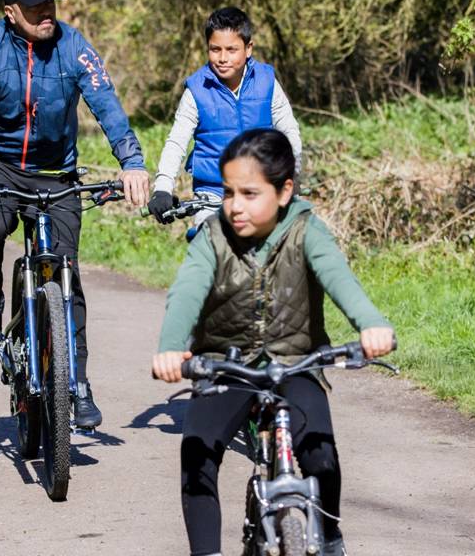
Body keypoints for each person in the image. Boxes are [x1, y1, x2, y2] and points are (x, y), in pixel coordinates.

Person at [151, 128, 395, 556]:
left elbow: (339, 279)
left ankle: (331, 538)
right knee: (197, 458)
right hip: (225, 366)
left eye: (249, 193)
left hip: (295, 361)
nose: (235, 206)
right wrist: (172, 347)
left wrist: (370, 324)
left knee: (321, 458)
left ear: (284, 192)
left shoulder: (306, 231)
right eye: (228, 193)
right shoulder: (213, 237)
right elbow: (187, 290)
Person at [0, 0, 150, 429]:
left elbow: (106, 103)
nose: (45, 12)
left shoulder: (74, 47)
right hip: (0, 167)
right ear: (11, 12)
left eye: (50, 2)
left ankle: (79, 385)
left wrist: (132, 163)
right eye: (34, 6)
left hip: (58, 175)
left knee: (66, 275)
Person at [146, 7, 302, 228]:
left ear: (248, 49)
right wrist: (162, 187)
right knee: (211, 248)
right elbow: (176, 142)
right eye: (215, 49)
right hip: (212, 196)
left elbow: (289, 131)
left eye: (231, 49)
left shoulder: (267, 82)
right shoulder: (196, 90)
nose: (222, 58)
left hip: (262, 191)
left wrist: (293, 175)